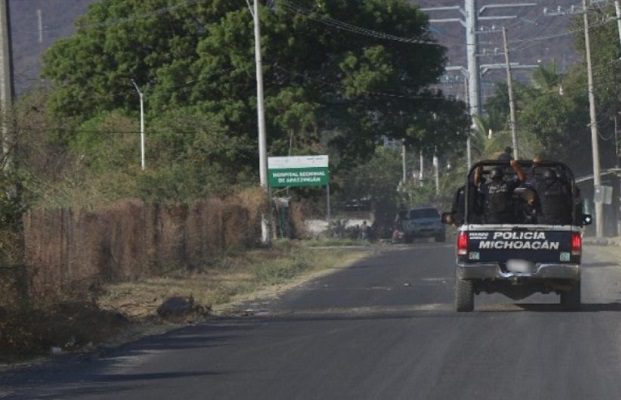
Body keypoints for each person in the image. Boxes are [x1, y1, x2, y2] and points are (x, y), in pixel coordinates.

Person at [476, 160, 525, 224]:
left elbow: (477, 182)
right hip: (508, 218)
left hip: (491, 218)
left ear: (491, 176)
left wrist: (479, 168)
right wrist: (516, 166)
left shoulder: (486, 187)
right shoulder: (508, 185)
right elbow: (522, 178)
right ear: (502, 175)